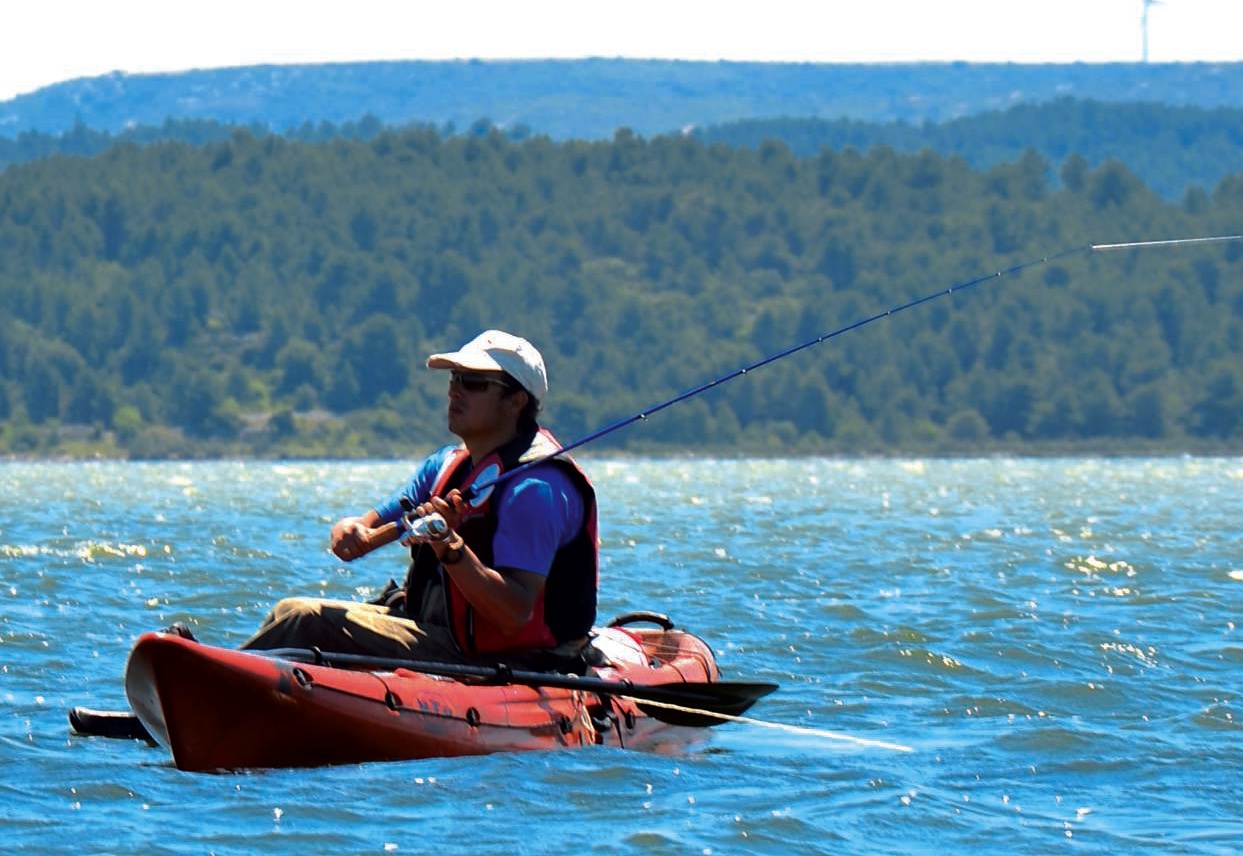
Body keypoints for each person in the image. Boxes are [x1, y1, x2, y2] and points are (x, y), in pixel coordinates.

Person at [241, 330, 598, 669]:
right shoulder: (445, 465)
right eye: (454, 379)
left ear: (516, 401)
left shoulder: (536, 489)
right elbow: (370, 523)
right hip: (442, 634)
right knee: (289, 610)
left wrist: (447, 543)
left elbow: (513, 615)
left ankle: (218, 682)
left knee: (307, 620)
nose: (455, 391)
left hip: (514, 659)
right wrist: (349, 530)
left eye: (473, 383)